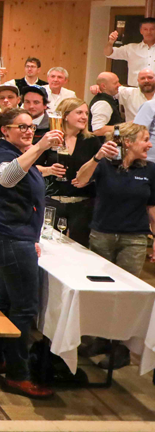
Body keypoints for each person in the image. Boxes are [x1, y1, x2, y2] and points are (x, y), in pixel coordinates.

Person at [0, 107, 62, 399]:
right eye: (22, 127)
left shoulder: (19, 153)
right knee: (24, 307)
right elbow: (7, 178)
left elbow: (29, 172)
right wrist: (41, 146)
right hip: (10, 237)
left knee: (4, 300)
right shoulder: (4, 155)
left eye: (32, 127)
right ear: (5, 131)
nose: (29, 131)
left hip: (16, 235)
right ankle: (18, 374)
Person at [73, 123, 155, 369]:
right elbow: (80, 180)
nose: (150, 144)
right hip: (102, 235)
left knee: (126, 295)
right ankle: (100, 339)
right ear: (127, 142)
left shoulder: (150, 170)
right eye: (145, 140)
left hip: (135, 239)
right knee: (101, 292)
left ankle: (120, 348)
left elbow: (152, 208)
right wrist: (97, 157)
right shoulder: (104, 165)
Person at [38, 98, 100, 245]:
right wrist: (49, 170)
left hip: (82, 205)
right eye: (79, 112)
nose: (84, 117)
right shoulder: (49, 138)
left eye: (86, 113)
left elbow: (102, 171)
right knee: (49, 247)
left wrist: (89, 179)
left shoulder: (91, 141)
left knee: (79, 248)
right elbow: (32, 167)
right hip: (52, 203)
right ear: (65, 115)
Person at [104, 17, 155, 86]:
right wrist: (110, 42)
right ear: (141, 31)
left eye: (152, 29)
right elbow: (108, 53)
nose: (149, 32)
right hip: (135, 90)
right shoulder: (131, 48)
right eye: (145, 29)